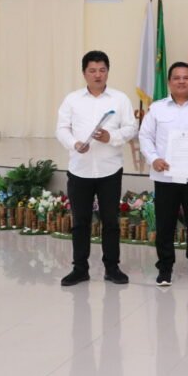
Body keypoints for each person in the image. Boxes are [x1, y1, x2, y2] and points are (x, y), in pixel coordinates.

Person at [55, 50, 137, 286]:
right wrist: (74, 143)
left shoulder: (120, 99)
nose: (97, 75)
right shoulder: (72, 99)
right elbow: (61, 128)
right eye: (92, 70)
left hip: (109, 170)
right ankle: (80, 269)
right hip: (79, 169)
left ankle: (112, 268)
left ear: (108, 72)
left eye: (102, 70)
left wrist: (111, 137)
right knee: (80, 222)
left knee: (110, 221)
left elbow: (131, 128)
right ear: (84, 73)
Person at [138, 62, 188, 286]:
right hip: (166, 176)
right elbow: (145, 136)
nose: (181, 81)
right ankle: (165, 269)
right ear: (169, 82)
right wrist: (154, 159)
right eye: (176, 78)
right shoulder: (157, 108)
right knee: (165, 225)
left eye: (186, 77)